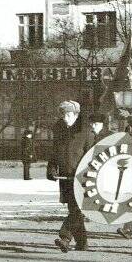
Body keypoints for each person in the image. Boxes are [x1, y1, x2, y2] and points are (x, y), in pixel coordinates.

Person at [47, 101, 90, 252]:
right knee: (74, 208)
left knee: (77, 210)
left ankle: (65, 237)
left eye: (69, 114)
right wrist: (51, 168)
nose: (65, 118)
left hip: (82, 178)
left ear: (76, 115)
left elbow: (93, 155)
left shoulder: (85, 131)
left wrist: (89, 174)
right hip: (65, 177)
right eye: (63, 114)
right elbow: (54, 152)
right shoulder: (59, 130)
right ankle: (82, 243)